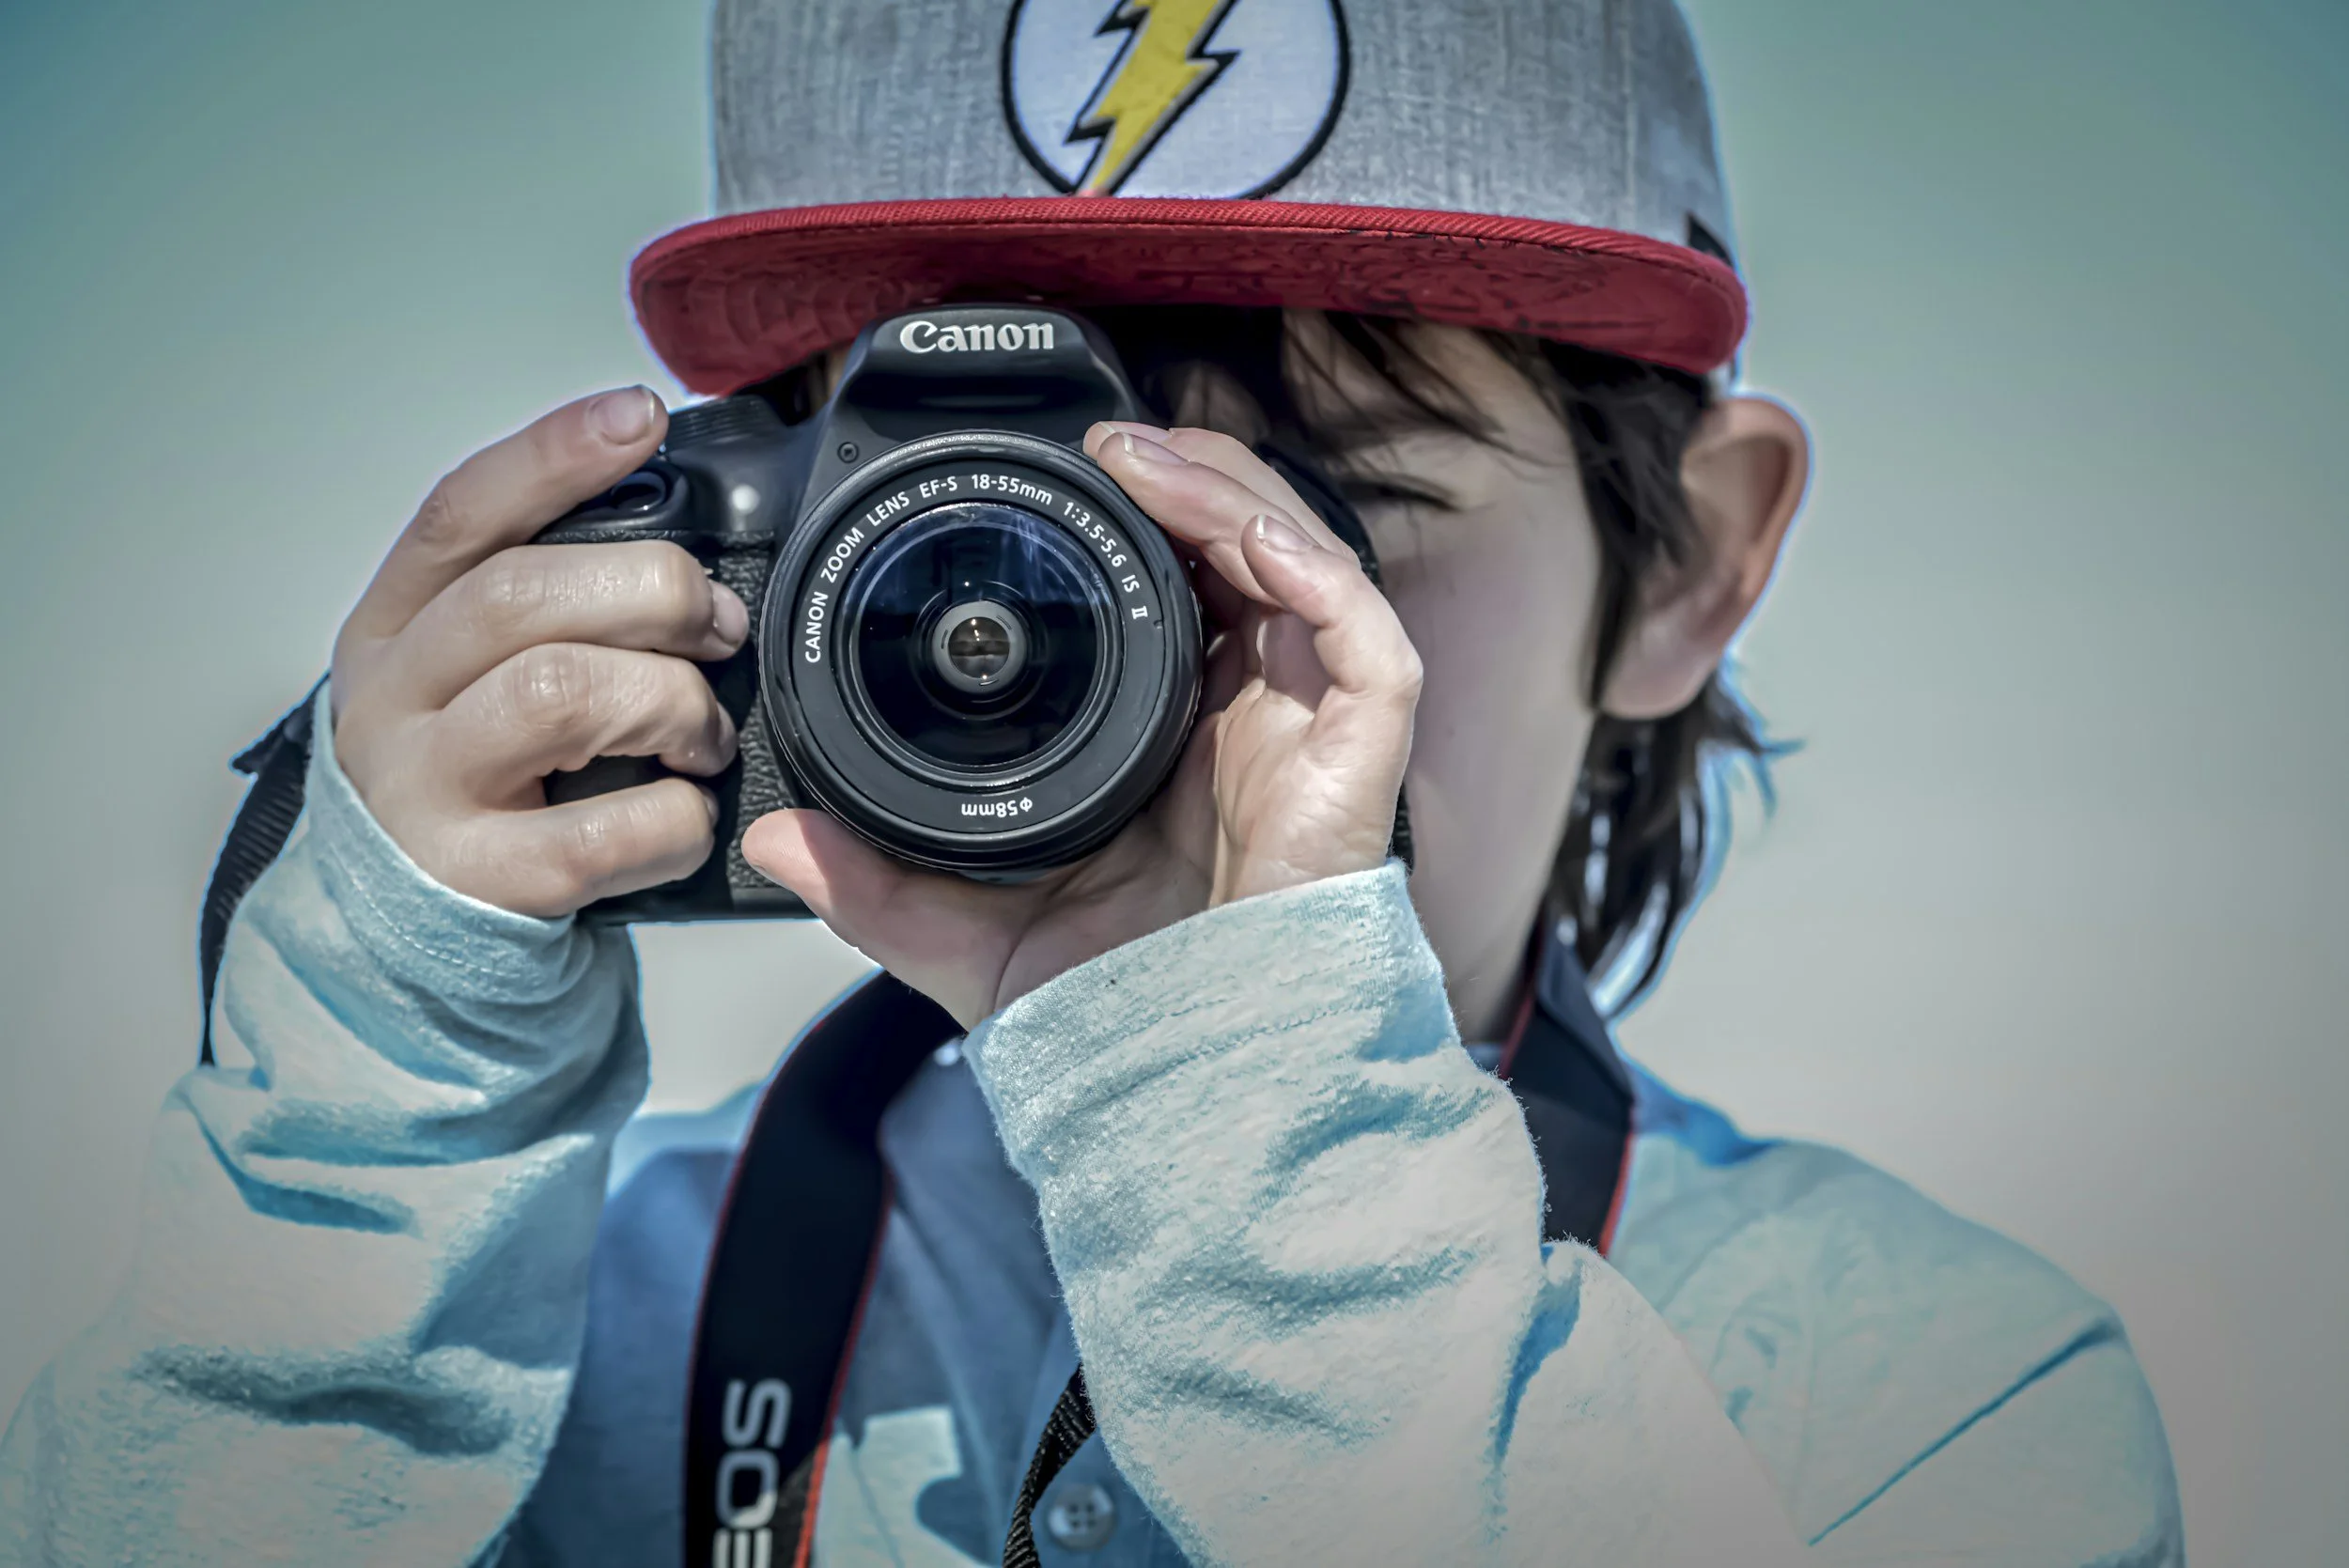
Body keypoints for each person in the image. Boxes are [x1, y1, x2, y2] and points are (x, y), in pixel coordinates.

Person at [0, 0, 2183, 1563]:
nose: (1194, 641)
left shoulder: (1924, 1400)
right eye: (991, 527)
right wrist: (357, 1161)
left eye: (1348, 507)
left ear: (1691, 558)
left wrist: (1268, 1152)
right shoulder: (517, 1324)